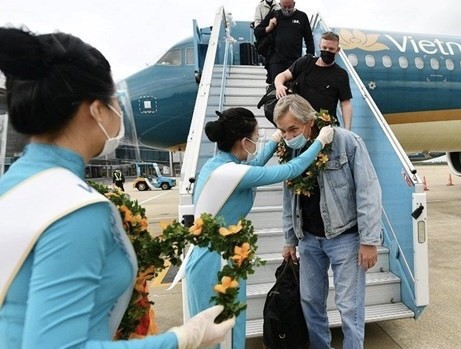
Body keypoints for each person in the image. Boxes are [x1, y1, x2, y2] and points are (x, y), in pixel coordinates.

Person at [0, 27, 234, 349]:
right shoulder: (76, 211)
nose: (118, 113)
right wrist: (182, 338)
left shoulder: (12, 187)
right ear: (95, 109)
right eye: (113, 102)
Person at [184, 107, 334, 349]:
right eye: (255, 138)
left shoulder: (220, 165)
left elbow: (253, 166)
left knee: (221, 332)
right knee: (222, 334)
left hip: (214, 256)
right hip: (217, 262)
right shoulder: (230, 173)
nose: (257, 142)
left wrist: (275, 142)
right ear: (244, 141)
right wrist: (319, 142)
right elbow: (290, 170)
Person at [274, 94, 382, 349]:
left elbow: (368, 191)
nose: (288, 136)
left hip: (345, 238)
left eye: (293, 129)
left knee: (349, 307)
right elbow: (289, 197)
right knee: (310, 301)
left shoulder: (345, 141)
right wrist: (289, 239)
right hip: (309, 240)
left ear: (310, 121)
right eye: (283, 131)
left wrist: (369, 241)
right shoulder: (291, 151)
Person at [274, 31, 353, 129]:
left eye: (331, 49)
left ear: (338, 50)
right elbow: (283, 76)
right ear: (319, 46)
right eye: (324, 48)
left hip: (325, 127)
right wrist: (279, 85)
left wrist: (347, 129)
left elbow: (345, 103)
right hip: (300, 123)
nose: (327, 51)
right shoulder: (305, 62)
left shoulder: (341, 74)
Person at [254, 0, 314, 84]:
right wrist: (269, 27)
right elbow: (257, 31)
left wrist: (309, 58)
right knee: (276, 89)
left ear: (294, 4)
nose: (287, 9)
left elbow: (309, 39)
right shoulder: (274, 15)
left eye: (289, 7)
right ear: (279, 5)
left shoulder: (302, 16)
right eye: (284, 7)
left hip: (294, 61)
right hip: (276, 61)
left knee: (293, 90)